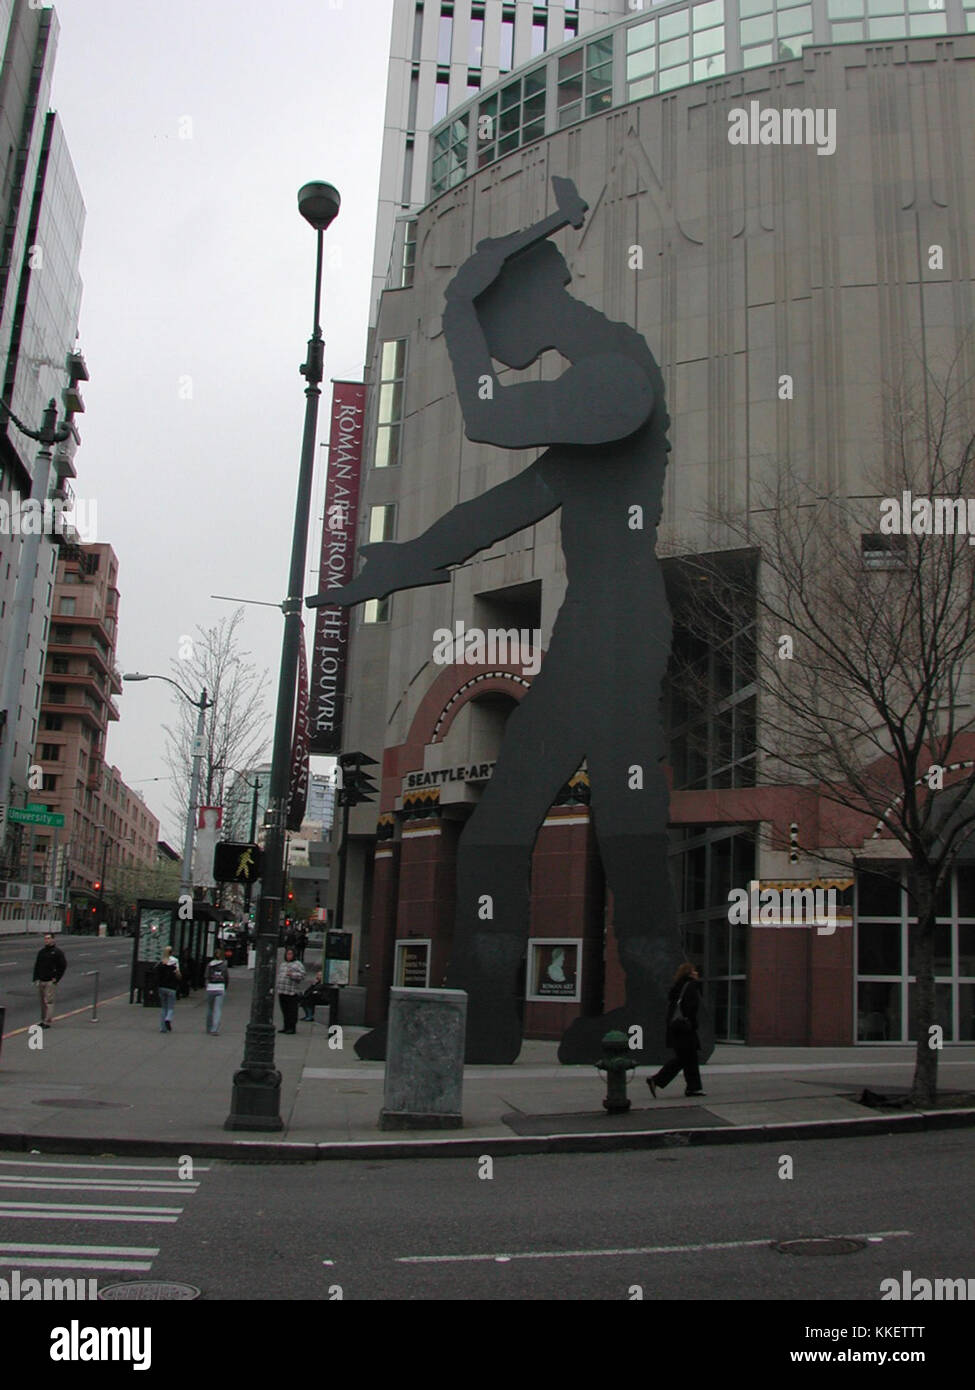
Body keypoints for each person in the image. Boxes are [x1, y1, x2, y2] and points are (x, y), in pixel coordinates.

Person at [320, 176, 687, 1065]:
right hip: (600, 631)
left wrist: (453, 308)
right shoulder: (595, 394)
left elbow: (485, 418)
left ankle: (646, 1020)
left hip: (618, 630)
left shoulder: (615, 380)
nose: (494, 344)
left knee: (622, 824)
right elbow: (509, 505)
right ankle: (492, 1023)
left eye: (494, 322)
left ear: (535, 298)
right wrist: (400, 566)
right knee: (520, 830)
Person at [646, 963, 706, 1098]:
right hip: (685, 1028)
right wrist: (692, 1023)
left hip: (676, 1028)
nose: (697, 973)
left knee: (685, 1058)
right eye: (694, 971)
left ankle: (692, 1087)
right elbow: (691, 1008)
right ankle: (658, 1080)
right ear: (689, 973)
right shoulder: (691, 987)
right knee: (688, 1058)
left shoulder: (677, 987)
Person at [32, 933, 66, 1028]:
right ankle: (42, 1020)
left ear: (53, 940)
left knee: (49, 1001)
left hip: (50, 981)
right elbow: (37, 965)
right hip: (41, 980)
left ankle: (47, 1021)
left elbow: (62, 966)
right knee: (42, 1002)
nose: (47, 940)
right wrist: (35, 978)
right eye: (45, 938)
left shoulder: (57, 952)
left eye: (49, 938)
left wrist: (57, 978)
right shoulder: (41, 952)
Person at [276, 948, 306, 1034]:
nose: (289, 956)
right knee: (284, 1010)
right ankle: (285, 1026)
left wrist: (292, 975)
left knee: (291, 1011)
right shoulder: (283, 964)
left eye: (290, 954)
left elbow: (302, 975)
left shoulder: (297, 964)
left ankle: (292, 1027)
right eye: (287, 954)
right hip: (282, 991)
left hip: (291, 991)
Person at [155, 945, 180, 1033]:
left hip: (162, 987)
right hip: (172, 987)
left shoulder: (161, 962)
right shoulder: (175, 961)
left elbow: (157, 973)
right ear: (172, 952)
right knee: (170, 1007)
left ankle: (163, 1028)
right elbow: (178, 974)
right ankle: (168, 1018)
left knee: (163, 1008)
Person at [204, 951, 229, 1035]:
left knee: (210, 1009)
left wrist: (207, 985)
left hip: (211, 987)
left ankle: (208, 1027)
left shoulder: (209, 965)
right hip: (220, 987)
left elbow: (206, 976)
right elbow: (226, 977)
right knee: (217, 1009)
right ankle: (215, 1029)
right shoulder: (224, 965)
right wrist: (225, 987)